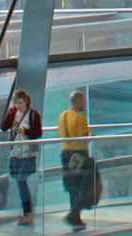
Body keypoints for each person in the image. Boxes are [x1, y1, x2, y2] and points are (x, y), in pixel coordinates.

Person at [0, 90, 44, 225]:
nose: (18, 105)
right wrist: (10, 112)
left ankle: (28, 213)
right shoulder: (14, 113)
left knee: (21, 180)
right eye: (16, 103)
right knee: (19, 181)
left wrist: (25, 131)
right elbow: (3, 127)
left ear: (26, 102)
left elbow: (38, 133)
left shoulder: (33, 115)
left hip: (28, 154)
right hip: (15, 153)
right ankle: (27, 213)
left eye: (20, 103)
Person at [59, 90, 93, 230]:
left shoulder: (63, 116)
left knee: (72, 187)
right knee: (84, 184)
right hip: (78, 154)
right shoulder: (80, 118)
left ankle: (76, 218)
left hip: (66, 153)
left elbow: (61, 133)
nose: (84, 103)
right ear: (78, 101)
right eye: (83, 100)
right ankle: (74, 214)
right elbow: (84, 138)